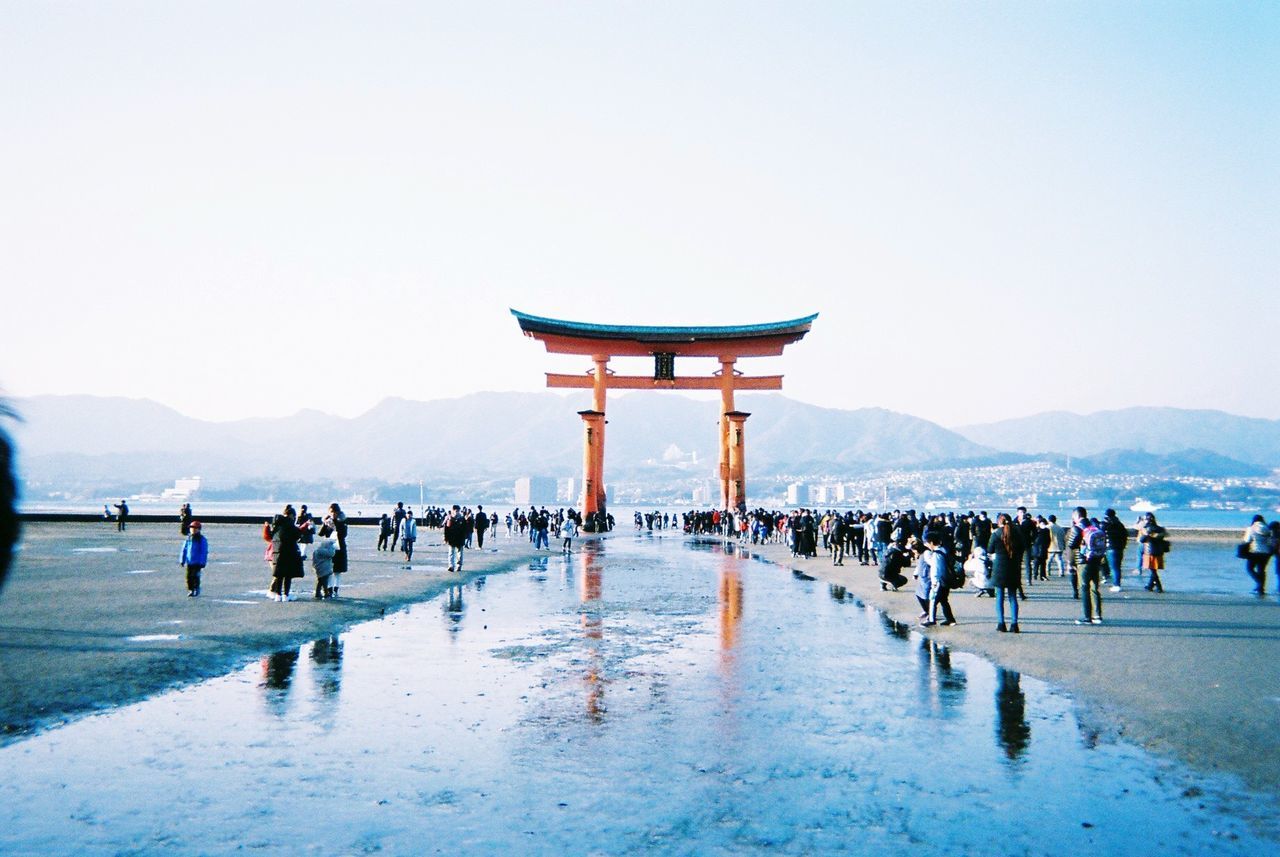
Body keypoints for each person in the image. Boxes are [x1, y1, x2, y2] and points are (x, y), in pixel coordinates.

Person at [1067, 507, 1104, 625]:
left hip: (1083, 561)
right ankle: (1097, 615)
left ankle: (1087, 617)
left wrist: (1070, 562)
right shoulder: (1094, 527)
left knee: (1084, 587)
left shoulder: (1077, 528)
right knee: (1094, 588)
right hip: (1096, 560)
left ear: (1076, 516)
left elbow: (1071, 545)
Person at [987, 513, 1022, 632]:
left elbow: (990, 549)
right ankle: (1014, 624)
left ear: (999, 522)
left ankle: (1001, 624)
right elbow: (1023, 546)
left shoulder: (996, 534)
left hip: (999, 568)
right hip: (1014, 567)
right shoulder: (1017, 533)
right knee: (1013, 597)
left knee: (999, 597)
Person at [915, 532, 954, 627]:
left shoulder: (936, 554)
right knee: (944, 601)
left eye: (927, 543)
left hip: (939, 581)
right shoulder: (944, 550)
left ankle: (931, 620)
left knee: (932, 601)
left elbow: (936, 569)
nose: (927, 545)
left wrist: (934, 582)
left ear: (931, 542)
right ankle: (950, 619)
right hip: (946, 580)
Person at [268, 505, 303, 602]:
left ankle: (278, 595)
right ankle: (286, 595)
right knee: (288, 575)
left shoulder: (277, 525)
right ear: (291, 515)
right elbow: (297, 535)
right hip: (289, 552)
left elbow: (271, 536)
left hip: (277, 552)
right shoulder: (290, 525)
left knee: (279, 575)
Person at [1137, 512, 1169, 592]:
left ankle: (1159, 587)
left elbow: (1142, 540)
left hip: (1149, 551)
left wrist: (1145, 534)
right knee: (1154, 569)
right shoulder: (1160, 529)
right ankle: (1150, 586)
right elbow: (1164, 535)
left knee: (1152, 570)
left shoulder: (1147, 529)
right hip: (1159, 551)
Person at [1242, 514, 1273, 595]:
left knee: (1250, 569)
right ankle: (1261, 588)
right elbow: (1270, 540)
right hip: (1266, 552)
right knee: (1262, 570)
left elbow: (1247, 540)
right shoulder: (1267, 528)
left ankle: (1259, 584)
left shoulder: (1251, 528)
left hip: (1254, 551)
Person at [179, 520, 208, 597]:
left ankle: (196, 588)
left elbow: (203, 552)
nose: (192, 530)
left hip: (197, 562)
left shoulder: (201, 540)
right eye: (191, 528)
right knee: (188, 577)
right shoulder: (188, 539)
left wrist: (202, 562)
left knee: (195, 576)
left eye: (195, 528)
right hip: (189, 562)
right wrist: (182, 560)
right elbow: (184, 550)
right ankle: (191, 589)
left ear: (199, 529)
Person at [325, 503, 348, 598]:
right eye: (331, 512)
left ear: (337, 512)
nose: (332, 514)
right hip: (330, 547)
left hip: (340, 548)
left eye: (333, 512)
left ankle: (335, 590)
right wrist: (325, 524)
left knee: (337, 571)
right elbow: (323, 534)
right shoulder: (329, 521)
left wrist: (335, 526)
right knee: (329, 570)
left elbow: (343, 535)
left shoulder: (342, 521)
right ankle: (329, 590)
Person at [1103, 508, 1129, 592]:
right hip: (1119, 548)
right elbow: (1125, 536)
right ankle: (1117, 583)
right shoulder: (1120, 524)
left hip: (1111, 547)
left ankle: (1116, 584)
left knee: (1114, 567)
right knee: (1117, 567)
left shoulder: (1107, 525)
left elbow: (1103, 534)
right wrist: (1123, 545)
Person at [312, 525, 337, 599]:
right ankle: (326, 592)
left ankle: (318, 592)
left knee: (320, 580)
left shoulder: (318, 550)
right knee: (324, 581)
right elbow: (331, 553)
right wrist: (332, 547)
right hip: (324, 568)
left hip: (319, 567)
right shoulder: (324, 551)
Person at [444, 505, 468, 572]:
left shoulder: (462, 519)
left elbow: (465, 529)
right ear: (452, 510)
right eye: (455, 511)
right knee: (451, 553)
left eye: (457, 511)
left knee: (459, 554)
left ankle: (458, 566)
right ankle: (451, 566)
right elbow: (446, 529)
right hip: (451, 538)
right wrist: (446, 538)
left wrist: (465, 537)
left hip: (460, 538)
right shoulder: (450, 518)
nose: (456, 512)